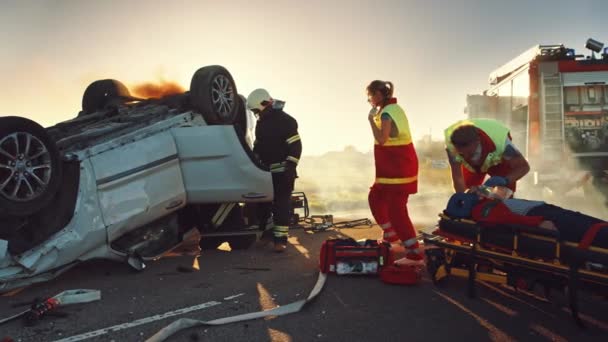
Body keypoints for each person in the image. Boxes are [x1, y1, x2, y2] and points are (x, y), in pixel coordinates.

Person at [365, 80, 422, 266]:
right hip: (392, 168)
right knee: (375, 197)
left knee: (397, 211)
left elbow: (382, 139)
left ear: (378, 95)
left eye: (370, 96)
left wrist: (370, 120)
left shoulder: (388, 113)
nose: (369, 100)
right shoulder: (392, 109)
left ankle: (414, 254)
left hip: (398, 169)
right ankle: (392, 236)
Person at [444, 187, 608, 247]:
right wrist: (539, 222)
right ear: (472, 198)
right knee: (592, 230)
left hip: (547, 211)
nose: (481, 190)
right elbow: (508, 219)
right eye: (476, 191)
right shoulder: (483, 209)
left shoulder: (489, 203)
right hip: (542, 216)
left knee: (592, 224)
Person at [246, 88, 302, 253]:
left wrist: (290, 167)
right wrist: (253, 158)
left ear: (264, 105)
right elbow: (259, 145)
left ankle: (280, 240)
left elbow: (296, 145)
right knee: (262, 204)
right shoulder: (261, 123)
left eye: (257, 110)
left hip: (284, 172)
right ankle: (267, 234)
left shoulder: (286, 121)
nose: (256, 114)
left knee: (281, 206)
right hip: (266, 172)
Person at [445, 119, 530, 194]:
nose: (467, 157)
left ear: (477, 141)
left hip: (498, 162)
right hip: (474, 168)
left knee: (503, 196)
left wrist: (505, 180)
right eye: (461, 155)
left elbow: (523, 167)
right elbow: (458, 177)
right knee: (469, 194)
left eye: (471, 153)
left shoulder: (502, 144)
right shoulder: (451, 148)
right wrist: (462, 201)